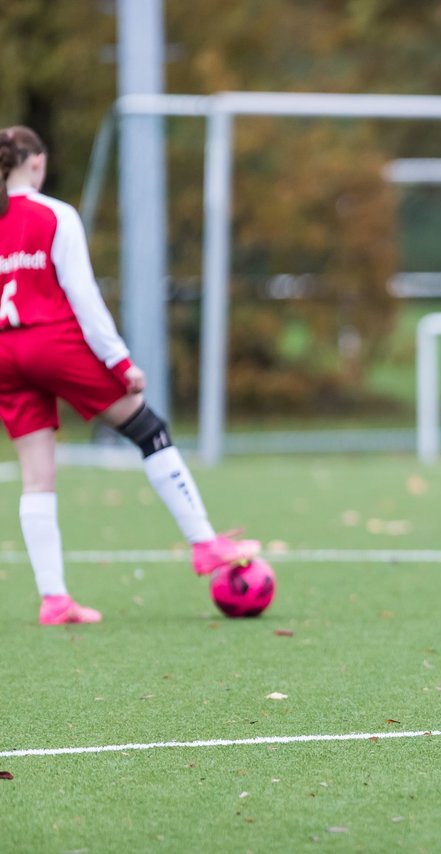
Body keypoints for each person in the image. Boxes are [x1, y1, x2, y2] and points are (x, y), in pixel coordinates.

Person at [0, 126, 260, 626]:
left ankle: (54, 600)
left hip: (5, 352)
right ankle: (205, 544)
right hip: (50, 341)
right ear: (36, 163)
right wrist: (120, 362)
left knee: (36, 477)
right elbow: (84, 298)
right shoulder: (54, 215)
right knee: (149, 428)